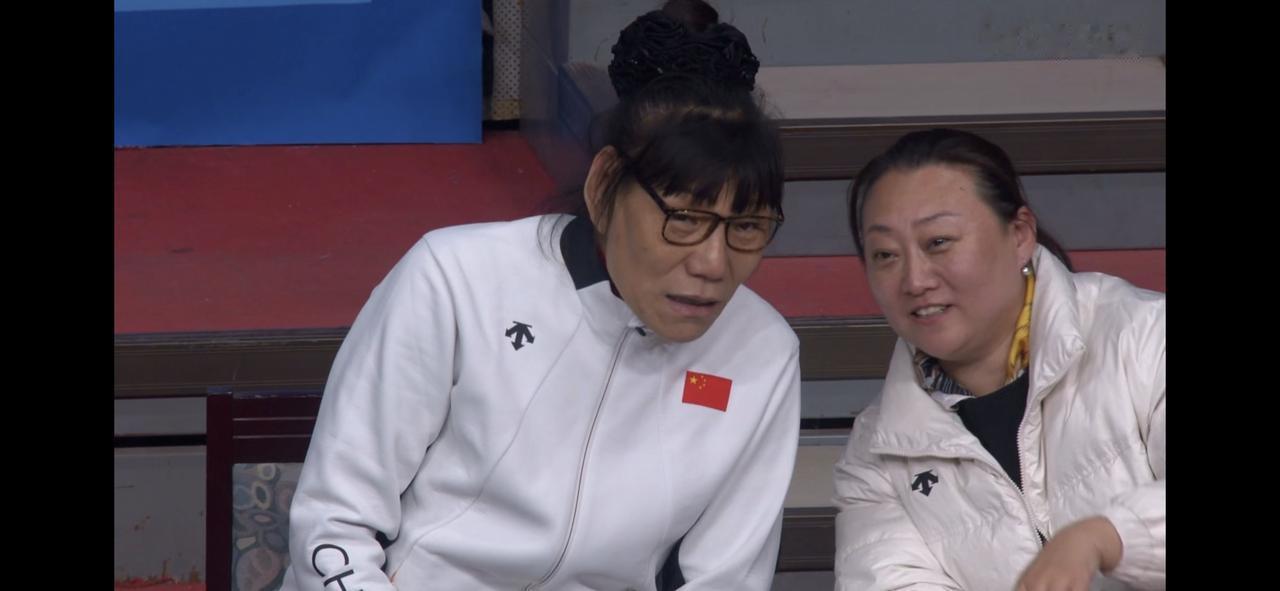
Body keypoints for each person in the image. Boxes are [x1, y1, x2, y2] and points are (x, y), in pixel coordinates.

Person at [281, 1, 800, 589]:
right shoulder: (457, 279)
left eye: (747, 227)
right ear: (604, 185)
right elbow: (334, 527)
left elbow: (725, 579)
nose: (713, 264)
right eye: (683, 219)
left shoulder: (762, 351)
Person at [832, 128, 1165, 590]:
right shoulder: (875, 454)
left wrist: (1102, 538)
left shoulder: (1144, 335)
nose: (915, 280)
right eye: (886, 255)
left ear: (1020, 235)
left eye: (938, 242)